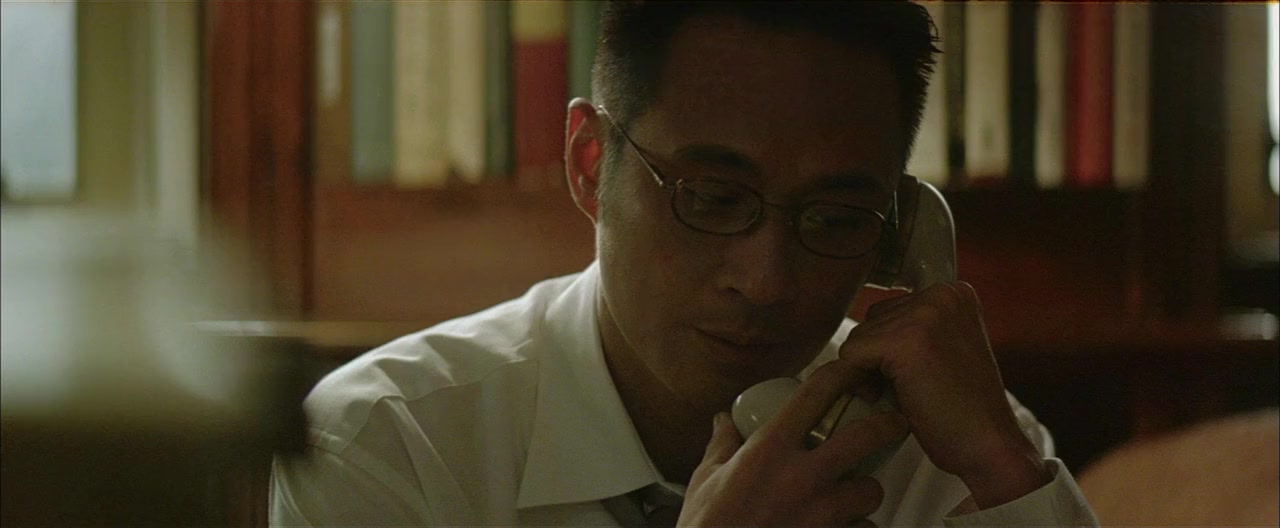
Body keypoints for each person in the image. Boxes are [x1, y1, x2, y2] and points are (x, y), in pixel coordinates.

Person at [271, 2, 1099, 526]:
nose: (766, 281)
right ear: (590, 164)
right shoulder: (386, 446)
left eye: (836, 218)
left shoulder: (962, 455)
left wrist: (1007, 474)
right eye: (712, 197)